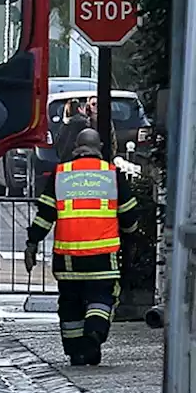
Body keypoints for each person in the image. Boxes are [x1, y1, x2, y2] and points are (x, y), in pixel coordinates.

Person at [24, 127, 140, 366]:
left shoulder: (61, 174)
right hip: (103, 257)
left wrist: (32, 243)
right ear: (100, 148)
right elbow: (129, 215)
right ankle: (94, 334)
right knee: (101, 297)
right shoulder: (111, 174)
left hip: (68, 259)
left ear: (76, 148)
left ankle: (76, 352)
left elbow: (45, 216)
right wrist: (131, 241)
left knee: (70, 304)